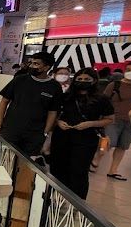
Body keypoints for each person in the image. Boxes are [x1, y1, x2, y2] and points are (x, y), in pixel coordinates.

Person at [48, 68, 114, 199]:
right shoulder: (65, 96)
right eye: (79, 79)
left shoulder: (102, 99)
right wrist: (58, 122)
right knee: (57, 168)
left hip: (86, 139)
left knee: (79, 171)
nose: (82, 81)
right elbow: (54, 113)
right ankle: (55, 198)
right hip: (62, 136)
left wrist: (90, 123)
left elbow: (110, 119)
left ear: (94, 81)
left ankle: (77, 202)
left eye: (86, 79)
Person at [0, 51, 62, 157]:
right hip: (11, 130)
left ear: (46, 67)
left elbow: (52, 112)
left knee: (27, 163)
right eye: (31, 63)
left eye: (36, 64)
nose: (32, 66)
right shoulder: (20, 80)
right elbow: (4, 101)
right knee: (5, 158)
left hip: (35, 134)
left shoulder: (54, 86)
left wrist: (45, 132)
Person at [97, 60, 131, 180]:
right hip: (113, 119)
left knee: (123, 145)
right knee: (108, 142)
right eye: (128, 70)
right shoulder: (114, 85)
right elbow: (103, 101)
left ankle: (113, 170)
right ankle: (97, 158)